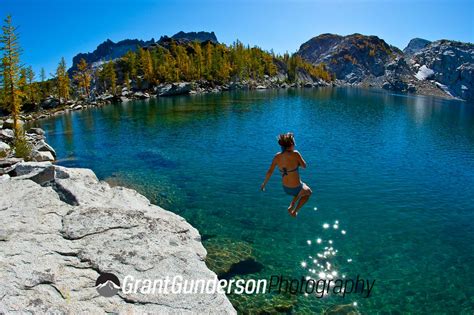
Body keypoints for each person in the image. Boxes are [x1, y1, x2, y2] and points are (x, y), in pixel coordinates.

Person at [260, 132, 312, 217]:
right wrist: (297, 164)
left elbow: (270, 171)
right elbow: (304, 166)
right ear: (291, 144)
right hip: (296, 187)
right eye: (294, 143)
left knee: (303, 186)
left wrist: (264, 184)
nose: (295, 144)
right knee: (309, 192)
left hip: (286, 188)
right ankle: (294, 210)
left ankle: (293, 203)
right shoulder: (295, 153)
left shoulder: (277, 156)